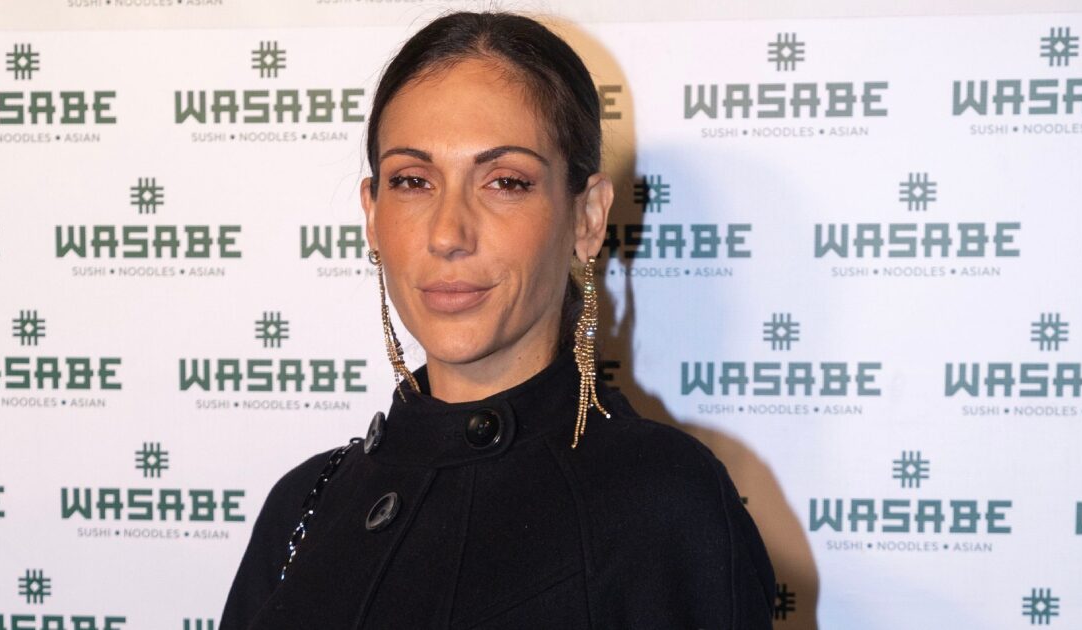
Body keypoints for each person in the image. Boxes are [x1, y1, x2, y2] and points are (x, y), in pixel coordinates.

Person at [219, 10, 775, 629]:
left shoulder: (664, 504)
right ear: (372, 216)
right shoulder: (304, 505)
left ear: (588, 217)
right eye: (412, 181)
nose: (448, 234)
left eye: (505, 182)